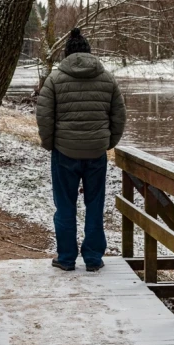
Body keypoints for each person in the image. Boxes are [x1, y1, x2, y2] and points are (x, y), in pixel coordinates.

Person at [36, 28, 126, 272]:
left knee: (65, 206)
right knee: (95, 205)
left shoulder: (55, 79)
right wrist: (107, 143)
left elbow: (44, 116)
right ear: (89, 52)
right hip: (96, 153)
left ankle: (66, 258)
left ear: (66, 54)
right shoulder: (107, 79)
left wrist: (50, 143)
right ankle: (93, 258)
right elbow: (119, 116)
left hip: (64, 152)